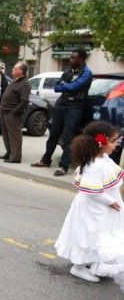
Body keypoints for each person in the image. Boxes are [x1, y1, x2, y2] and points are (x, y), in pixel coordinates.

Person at [55, 121, 123, 283]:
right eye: (113, 141)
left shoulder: (104, 158)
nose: (116, 145)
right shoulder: (94, 165)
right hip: (94, 208)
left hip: (101, 207)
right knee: (89, 235)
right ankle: (78, 267)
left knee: (100, 235)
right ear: (101, 143)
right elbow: (93, 191)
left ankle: (94, 261)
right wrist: (110, 201)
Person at [31, 49, 93, 176]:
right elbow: (56, 86)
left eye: (74, 58)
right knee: (54, 134)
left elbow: (74, 87)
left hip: (75, 106)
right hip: (61, 104)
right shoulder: (68, 71)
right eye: (71, 58)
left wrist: (66, 85)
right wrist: (67, 85)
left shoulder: (86, 73)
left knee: (68, 137)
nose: (71, 60)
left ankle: (63, 166)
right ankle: (45, 160)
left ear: (81, 59)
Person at [0, 62, 31, 163]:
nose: (12, 69)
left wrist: (14, 112)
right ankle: (9, 152)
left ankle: (16, 157)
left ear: (21, 71)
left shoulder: (25, 83)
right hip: (5, 111)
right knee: (6, 134)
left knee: (14, 135)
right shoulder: (15, 81)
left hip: (12, 113)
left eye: (15, 68)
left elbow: (24, 101)